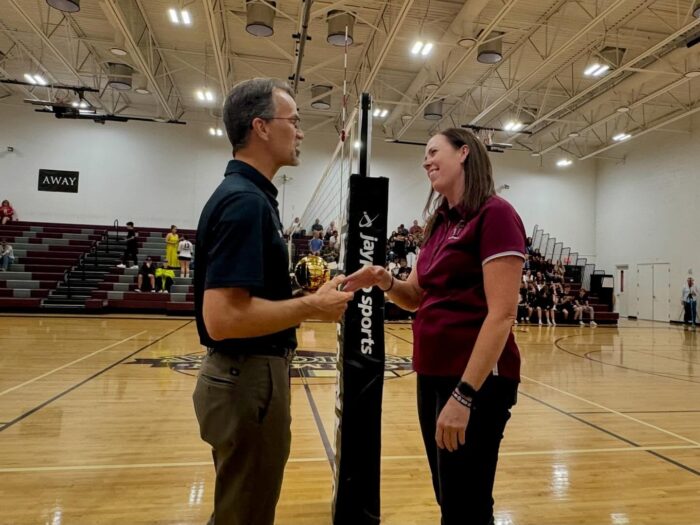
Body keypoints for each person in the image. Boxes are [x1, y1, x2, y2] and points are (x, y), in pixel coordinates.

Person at [343, 127, 525, 525]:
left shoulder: (496, 215)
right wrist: (383, 279)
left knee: (466, 502)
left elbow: (502, 314)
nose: (426, 161)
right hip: (432, 374)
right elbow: (416, 296)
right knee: (449, 495)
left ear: (463, 154)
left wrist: (464, 395)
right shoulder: (437, 224)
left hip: (475, 382)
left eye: (433, 151)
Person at [192, 77, 354, 525]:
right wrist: (311, 308)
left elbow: (246, 301)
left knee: (242, 507)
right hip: (247, 380)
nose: (300, 131)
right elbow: (223, 318)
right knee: (245, 514)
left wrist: (305, 297)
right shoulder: (245, 203)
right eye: (294, 120)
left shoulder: (250, 198)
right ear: (261, 127)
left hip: (247, 379)